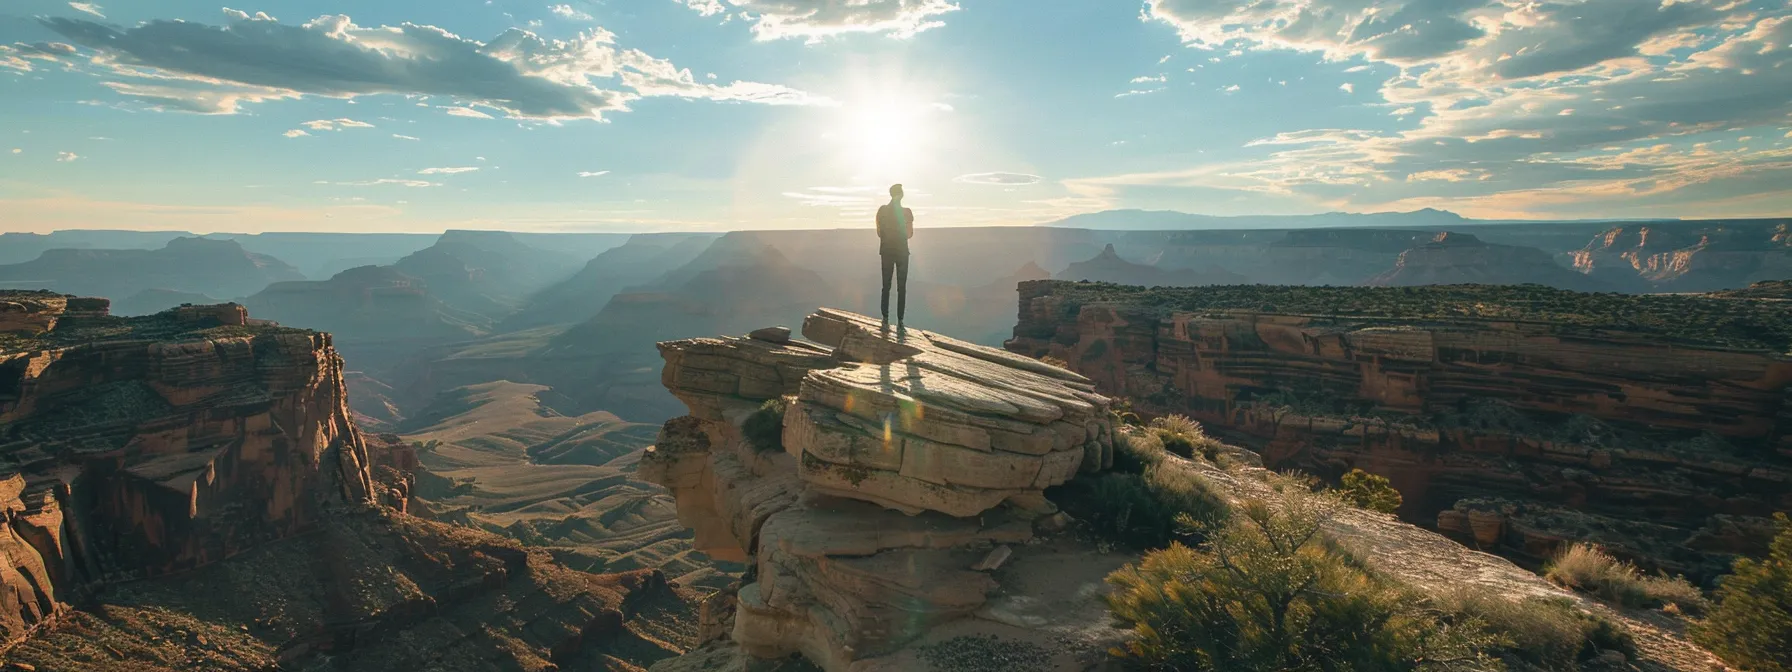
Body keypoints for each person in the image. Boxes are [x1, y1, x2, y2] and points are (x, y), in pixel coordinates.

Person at [875, 183, 915, 325]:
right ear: (901, 194)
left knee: (886, 285)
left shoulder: (882, 211)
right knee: (901, 287)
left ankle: (885, 318)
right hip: (902, 252)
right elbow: (910, 234)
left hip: (886, 251)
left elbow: (879, 233)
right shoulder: (907, 212)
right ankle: (900, 321)